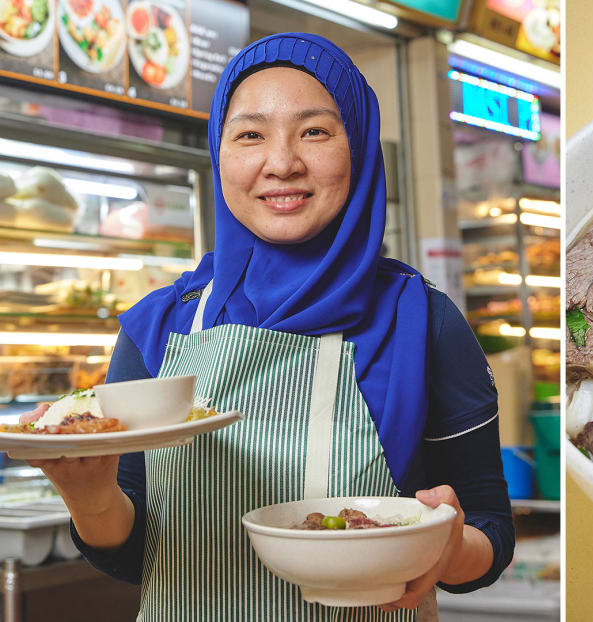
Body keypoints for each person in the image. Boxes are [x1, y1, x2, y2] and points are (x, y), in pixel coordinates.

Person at [25, 33, 514, 621]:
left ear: (359, 146)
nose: (282, 163)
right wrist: (89, 496)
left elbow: (490, 529)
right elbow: (135, 559)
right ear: (219, 153)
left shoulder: (422, 320)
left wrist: (447, 548)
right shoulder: (159, 326)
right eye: (250, 135)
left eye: (315, 131)